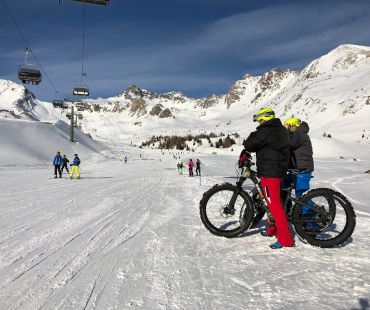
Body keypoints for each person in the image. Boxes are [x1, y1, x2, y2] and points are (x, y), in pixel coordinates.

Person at [243, 107, 294, 249]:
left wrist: (256, 133)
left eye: (259, 120)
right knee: (271, 202)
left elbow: (249, 144)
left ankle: (285, 239)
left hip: (270, 173)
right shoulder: (281, 129)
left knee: (274, 205)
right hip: (277, 171)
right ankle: (273, 229)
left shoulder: (266, 130)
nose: (258, 123)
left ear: (264, 118)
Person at [284, 117, 315, 228]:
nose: (286, 129)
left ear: (293, 126)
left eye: (288, 126)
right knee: (281, 187)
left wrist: (284, 131)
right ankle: (285, 212)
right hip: (295, 170)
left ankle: (312, 224)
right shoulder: (296, 134)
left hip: (303, 170)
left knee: (302, 196)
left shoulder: (300, 134)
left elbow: (290, 143)